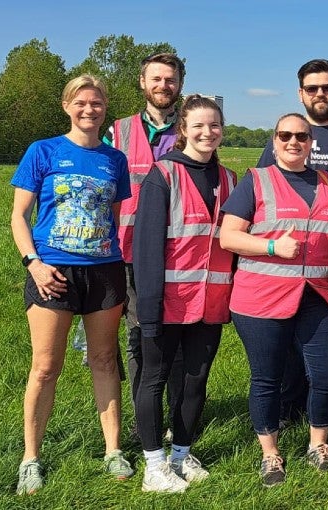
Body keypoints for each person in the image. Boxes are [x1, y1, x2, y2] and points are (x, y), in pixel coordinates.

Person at [11, 74, 134, 495]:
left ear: (105, 109)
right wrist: (34, 264)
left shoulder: (114, 159)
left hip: (104, 272)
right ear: (67, 106)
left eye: (97, 103)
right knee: (46, 367)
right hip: (52, 272)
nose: (89, 109)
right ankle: (31, 457)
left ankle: (113, 450)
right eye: (81, 102)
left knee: (104, 360)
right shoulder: (42, 151)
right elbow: (18, 217)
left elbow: (113, 218)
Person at [221, 113, 328, 487]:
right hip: (260, 296)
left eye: (301, 137)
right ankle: (270, 453)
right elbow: (228, 237)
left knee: (325, 374)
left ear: (311, 143)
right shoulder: (255, 181)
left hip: (315, 294)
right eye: (285, 135)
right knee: (267, 378)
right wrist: (272, 245)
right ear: (274, 141)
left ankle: (317, 444)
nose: (294, 142)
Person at [257, 59, 328, 438]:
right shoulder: (284, 135)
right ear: (300, 93)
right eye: (312, 88)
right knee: (295, 338)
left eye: (327, 88)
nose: (320, 94)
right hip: (295, 261)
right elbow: (263, 190)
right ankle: (292, 406)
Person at [132, 95, 237, 493]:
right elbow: (147, 248)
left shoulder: (229, 179)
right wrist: (149, 308)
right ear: (183, 130)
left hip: (210, 302)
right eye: (198, 126)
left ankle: (181, 452)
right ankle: (153, 464)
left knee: (195, 380)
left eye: (214, 126)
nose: (207, 133)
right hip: (166, 302)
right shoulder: (163, 176)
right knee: (154, 380)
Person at [107, 52, 187, 435]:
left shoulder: (190, 130)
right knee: (139, 335)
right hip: (127, 251)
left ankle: (174, 417)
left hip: (177, 252)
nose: (163, 86)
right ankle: (144, 420)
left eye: (169, 80)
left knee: (174, 336)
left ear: (179, 85)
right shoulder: (118, 131)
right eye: (156, 79)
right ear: (142, 82)